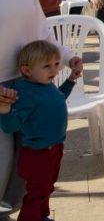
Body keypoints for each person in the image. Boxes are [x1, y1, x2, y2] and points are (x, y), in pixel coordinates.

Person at [0, 0, 81, 218]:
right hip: (2, 90)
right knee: (3, 161)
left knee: (28, 165)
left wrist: (68, 55)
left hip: (29, 85)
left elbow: (42, 30)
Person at [0, 41, 79, 221]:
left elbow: (58, 98)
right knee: (37, 193)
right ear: (27, 71)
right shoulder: (25, 94)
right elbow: (10, 126)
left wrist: (71, 81)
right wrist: (4, 109)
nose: (54, 70)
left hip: (54, 149)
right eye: (47, 66)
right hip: (37, 154)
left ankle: (42, 215)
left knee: (46, 188)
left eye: (56, 64)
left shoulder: (44, 84)